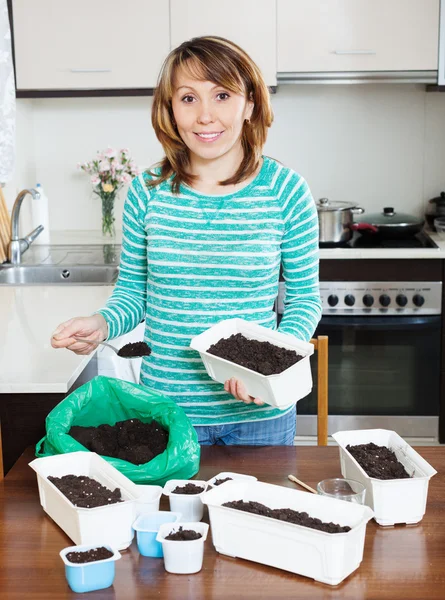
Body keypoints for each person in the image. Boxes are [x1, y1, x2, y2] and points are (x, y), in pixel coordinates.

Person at [51, 36, 322, 446]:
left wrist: (271, 370)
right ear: (171, 109)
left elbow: (304, 299)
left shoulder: (285, 190)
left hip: (261, 412)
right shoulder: (147, 191)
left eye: (222, 95)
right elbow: (133, 294)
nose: (205, 115)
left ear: (249, 105)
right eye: (188, 98)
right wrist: (100, 323)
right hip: (168, 412)